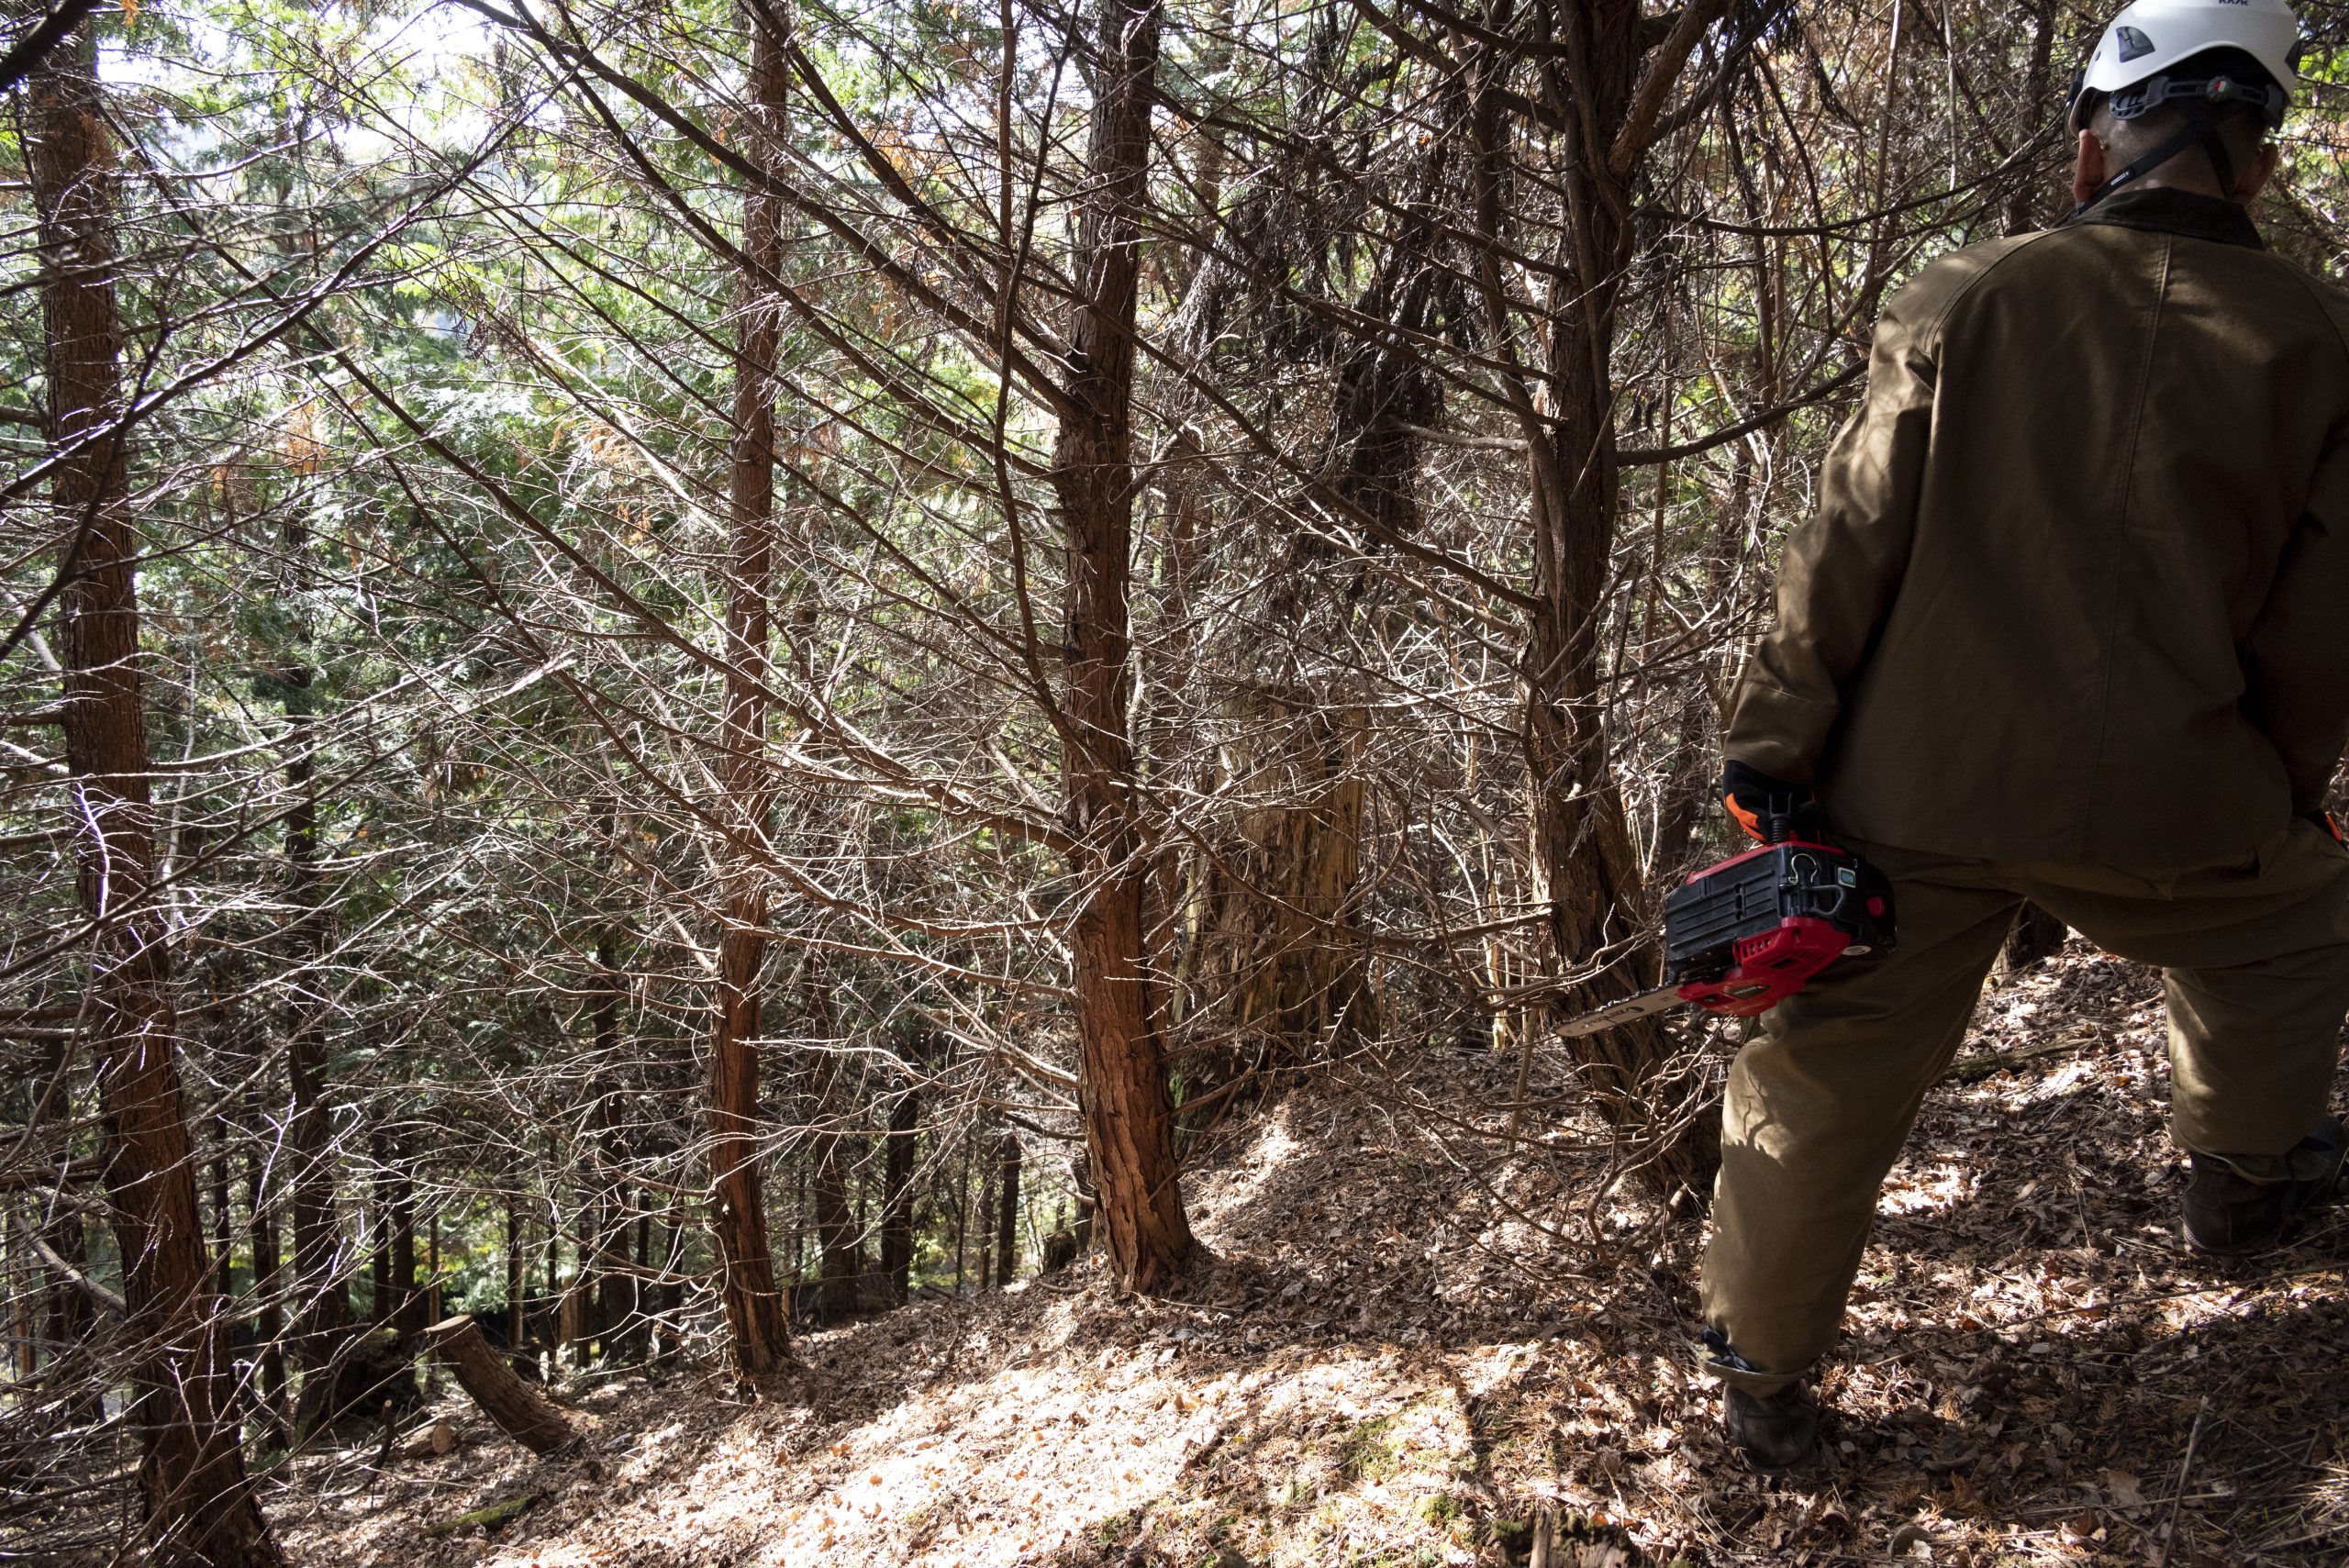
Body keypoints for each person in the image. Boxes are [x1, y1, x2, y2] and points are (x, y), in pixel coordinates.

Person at [1697, 0, 2349, 1472]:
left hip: (1915, 788)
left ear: (2096, 141)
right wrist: (2280, 793)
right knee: (2302, 923)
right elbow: (2320, 633)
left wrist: (1769, 754)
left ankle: (1761, 1375)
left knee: (1825, 1072)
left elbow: (1846, 550)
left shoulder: (1962, 298)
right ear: (2254, 159)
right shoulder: (2322, 341)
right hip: (2181, 802)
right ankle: (2243, 1175)